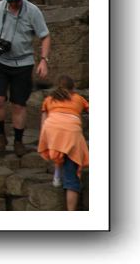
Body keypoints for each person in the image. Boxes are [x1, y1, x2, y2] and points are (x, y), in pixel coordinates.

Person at [0, 0, 51, 157]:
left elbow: (45, 36)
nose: (12, 4)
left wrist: (43, 60)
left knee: (19, 104)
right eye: (9, 0)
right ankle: (0, 136)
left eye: (15, 0)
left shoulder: (32, 11)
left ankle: (18, 141)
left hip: (23, 63)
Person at [37, 75, 89, 211]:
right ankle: (71, 213)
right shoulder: (79, 98)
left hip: (51, 130)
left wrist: (45, 138)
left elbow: (44, 119)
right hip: (71, 133)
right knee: (72, 178)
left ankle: (57, 171)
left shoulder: (48, 99)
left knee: (59, 149)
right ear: (73, 88)